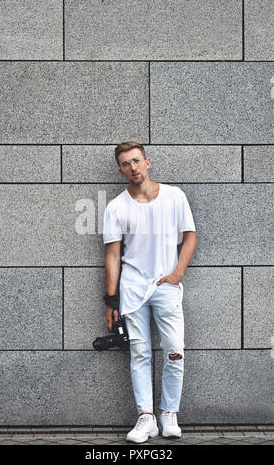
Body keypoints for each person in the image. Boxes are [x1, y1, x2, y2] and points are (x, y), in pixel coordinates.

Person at [102, 141, 197, 443]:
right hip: (131, 287)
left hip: (165, 285)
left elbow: (190, 238)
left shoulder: (174, 196)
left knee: (174, 349)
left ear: (148, 162)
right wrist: (110, 301)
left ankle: (169, 413)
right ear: (121, 171)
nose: (133, 167)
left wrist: (176, 274)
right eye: (126, 164)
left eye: (137, 161)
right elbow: (113, 256)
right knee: (139, 352)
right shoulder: (116, 207)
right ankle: (146, 418)